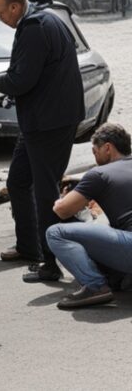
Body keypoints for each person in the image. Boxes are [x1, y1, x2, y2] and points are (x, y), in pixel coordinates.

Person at [0, 0, 85, 283]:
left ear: (15, 7)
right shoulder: (42, 18)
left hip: (49, 122)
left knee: (45, 193)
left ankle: (51, 262)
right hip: (41, 119)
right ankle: (29, 247)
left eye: (0, 12)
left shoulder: (34, 26)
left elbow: (21, 79)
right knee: (18, 181)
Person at [46, 123, 132, 309]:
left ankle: (95, 287)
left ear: (107, 148)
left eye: (95, 151)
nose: (95, 157)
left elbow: (63, 210)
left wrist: (59, 202)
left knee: (56, 233)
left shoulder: (99, 174)